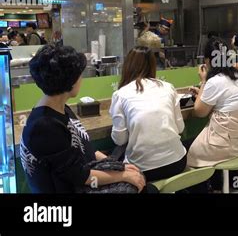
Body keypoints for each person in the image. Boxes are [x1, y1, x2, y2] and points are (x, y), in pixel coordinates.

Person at [20, 45, 145, 193]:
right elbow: (81, 177)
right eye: (80, 75)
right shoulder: (45, 127)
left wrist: (117, 166)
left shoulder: (60, 107)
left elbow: (85, 149)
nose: (82, 79)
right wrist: (122, 176)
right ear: (70, 81)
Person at [110, 46, 187, 182]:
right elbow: (180, 128)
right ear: (153, 65)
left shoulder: (120, 94)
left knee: (113, 157)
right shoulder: (168, 87)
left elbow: (119, 140)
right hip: (177, 163)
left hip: (142, 170)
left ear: (127, 66)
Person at [187, 38, 238, 168]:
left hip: (226, 145)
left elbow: (199, 112)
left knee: (187, 150)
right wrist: (202, 93)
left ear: (207, 61)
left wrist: (204, 81)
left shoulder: (214, 81)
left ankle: (207, 185)